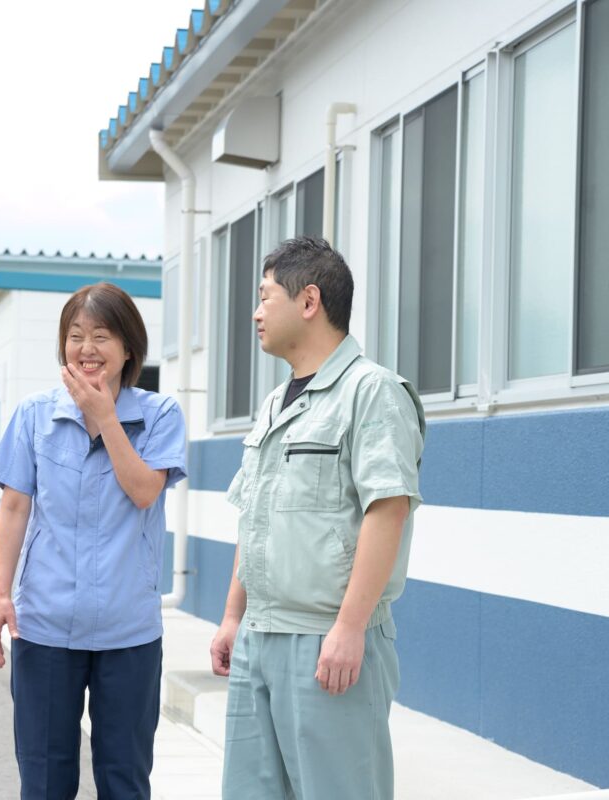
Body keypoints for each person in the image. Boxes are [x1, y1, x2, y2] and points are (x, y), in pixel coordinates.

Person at [210, 237, 425, 800]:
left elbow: (388, 510)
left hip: (327, 639)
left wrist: (350, 628)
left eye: (265, 296)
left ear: (309, 301)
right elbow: (254, 514)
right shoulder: (274, 402)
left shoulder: (371, 392)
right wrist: (234, 617)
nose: (256, 313)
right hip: (259, 634)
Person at [0, 282, 187, 800]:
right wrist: (1, 595)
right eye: (75, 336)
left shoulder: (161, 415)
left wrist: (106, 419)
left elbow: (144, 491)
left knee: (124, 780)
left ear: (128, 348)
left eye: (101, 336)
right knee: (44, 781)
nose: (86, 348)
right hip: (45, 627)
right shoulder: (35, 414)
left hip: (129, 631)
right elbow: (14, 506)